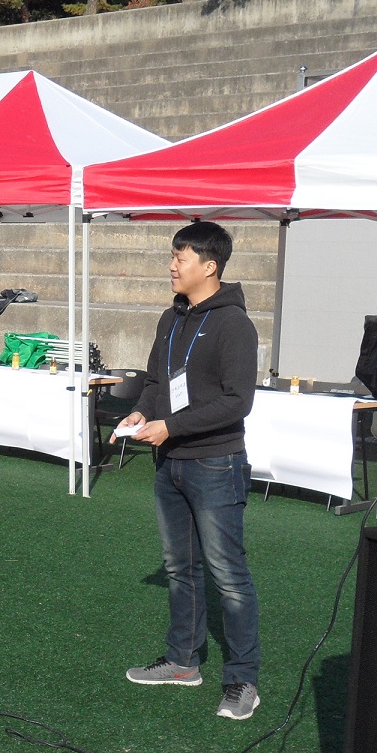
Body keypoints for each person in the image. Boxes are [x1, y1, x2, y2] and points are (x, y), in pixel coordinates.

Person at [113, 221, 262, 720]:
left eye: (181, 258)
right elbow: (158, 382)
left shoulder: (234, 325)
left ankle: (242, 681)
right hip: (170, 465)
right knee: (181, 569)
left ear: (210, 266)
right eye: (173, 256)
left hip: (216, 464)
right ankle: (182, 662)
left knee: (229, 577)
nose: (172, 266)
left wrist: (171, 426)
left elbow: (237, 402)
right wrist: (142, 413)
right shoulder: (171, 318)